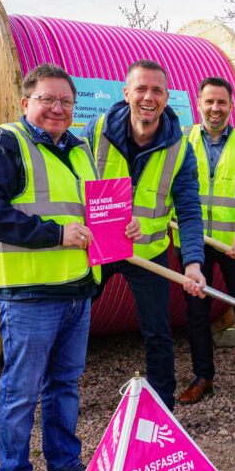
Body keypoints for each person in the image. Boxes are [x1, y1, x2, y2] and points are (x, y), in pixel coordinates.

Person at [0, 63, 140, 471]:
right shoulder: (5, 143)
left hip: (76, 290)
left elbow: (94, 213)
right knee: (21, 390)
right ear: (27, 103)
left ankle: (62, 465)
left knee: (64, 384)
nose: (57, 108)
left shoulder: (80, 148)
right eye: (47, 99)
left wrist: (124, 224)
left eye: (65, 101)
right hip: (29, 294)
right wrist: (55, 234)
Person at [81, 59, 207, 411]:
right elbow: (76, 183)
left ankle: (162, 405)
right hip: (100, 248)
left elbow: (189, 210)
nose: (148, 97)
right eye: (141, 89)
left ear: (167, 98)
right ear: (127, 93)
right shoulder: (97, 129)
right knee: (72, 316)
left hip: (148, 252)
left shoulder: (180, 148)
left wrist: (193, 262)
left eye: (156, 91)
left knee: (157, 330)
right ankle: (58, 394)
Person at [174, 77, 235, 415]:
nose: (215, 109)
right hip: (194, 243)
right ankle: (203, 377)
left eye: (222, 103)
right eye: (209, 102)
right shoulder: (181, 140)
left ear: (230, 107)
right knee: (196, 314)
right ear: (198, 104)